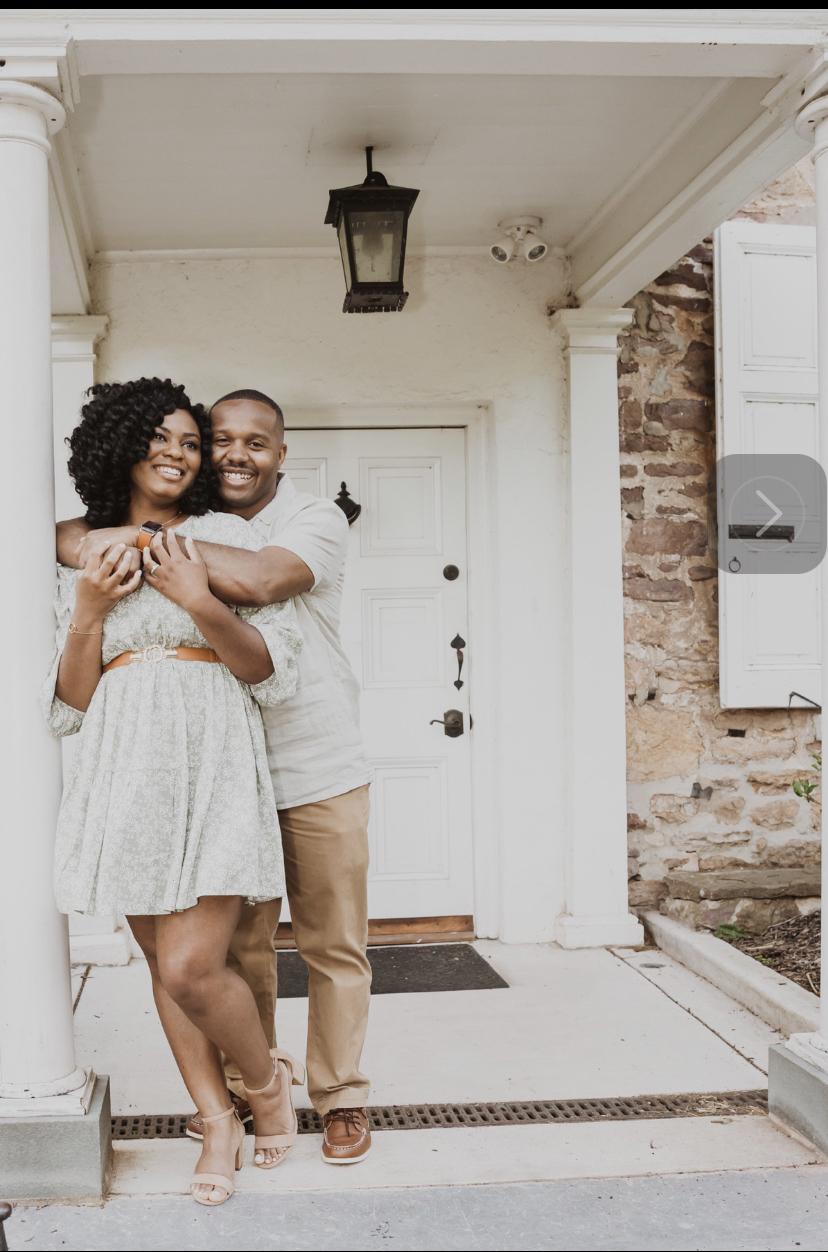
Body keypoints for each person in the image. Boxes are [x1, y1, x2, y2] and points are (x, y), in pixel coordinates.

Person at [58, 387, 374, 1166]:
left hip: (311, 760)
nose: (229, 454)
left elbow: (263, 581)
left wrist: (132, 545)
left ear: (280, 454)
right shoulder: (152, 532)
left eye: (251, 443)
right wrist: (93, 566)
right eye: (215, 438)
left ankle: (338, 1097)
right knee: (233, 956)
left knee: (331, 945)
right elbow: (72, 675)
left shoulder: (304, 522)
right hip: (183, 772)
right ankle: (240, 1095)